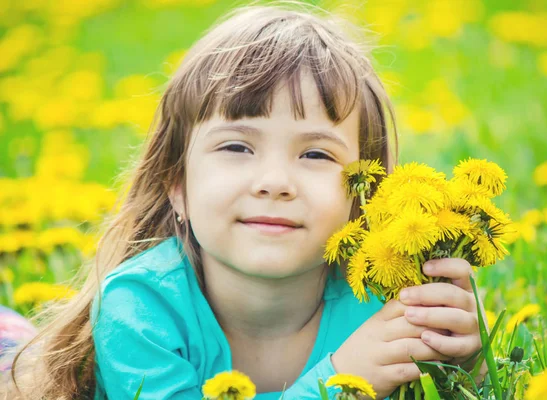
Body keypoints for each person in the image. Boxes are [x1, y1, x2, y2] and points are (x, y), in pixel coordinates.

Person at [1, 4, 485, 399]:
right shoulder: (140, 309)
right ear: (177, 185)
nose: (274, 182)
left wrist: (463, 361)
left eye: (315, 153)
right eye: (236, 147)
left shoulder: (382, 306)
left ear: (364, 196)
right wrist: (339, 383)